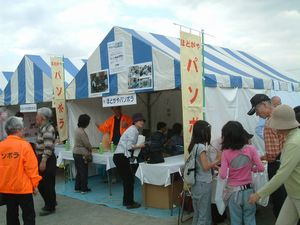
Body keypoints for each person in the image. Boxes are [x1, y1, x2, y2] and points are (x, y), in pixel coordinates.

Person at [249, 105, 300, 225]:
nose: (274, 128)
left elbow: (281, 174)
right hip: (293, 193)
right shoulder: (293, 136)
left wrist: (259, 194)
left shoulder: (294, 142)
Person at [247, 94, 286, 218]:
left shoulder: (269, 123)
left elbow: (273, 155)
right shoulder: (284, 116)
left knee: (280, 202)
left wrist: (259, 158)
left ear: (264, 104)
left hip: (278, 165)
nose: (257, 115)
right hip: (291, 161)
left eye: (257, 111)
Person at [220, 121, 265, 225]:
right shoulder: (251, 149)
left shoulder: (226, 153)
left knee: (236, 221)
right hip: (249, 191)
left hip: (233, 192)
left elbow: (222, 175)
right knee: (250, 218)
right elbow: (261, 168)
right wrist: (251, 168)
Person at [0, 116, 42, 225]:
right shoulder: (24, 145)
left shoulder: (1, 146)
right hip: (23, 188)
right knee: (28, 216)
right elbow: (31, 168)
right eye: (23, 128)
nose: (24, 130)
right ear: (18, 130)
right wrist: (35, 185)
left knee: (11, 215)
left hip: (6, 188)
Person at [188, 120, 218, 225]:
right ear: (203, 132)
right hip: (203, 183)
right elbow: (205, 167)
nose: (209, 134)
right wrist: (218, 160)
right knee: (203, 215)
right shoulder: (201, 147)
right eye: (208, 131)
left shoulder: (193, 145)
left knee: (198, 213)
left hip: (196, 183)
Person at [113, 113, 145, 209]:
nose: (142, 122)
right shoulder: (133, 131)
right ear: (135, 122)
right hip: (121, 156)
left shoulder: (133, 129)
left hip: (120, 156)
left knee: (128, 180)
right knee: (129, 180)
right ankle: (129, 203)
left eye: (143, 121)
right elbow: (129, 147)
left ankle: (127, 201)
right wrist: (141, 146)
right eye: (140, 120)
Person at [35, 107, 57, 216]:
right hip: (44, 158)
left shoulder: (47, 129)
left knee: (45, 184)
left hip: (46, 158)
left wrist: (43, 161)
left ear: (42, 117)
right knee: (46, 183)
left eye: (37, 115)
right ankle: (51, 202)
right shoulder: (43, 127)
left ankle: (50, 207)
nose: (36, 117)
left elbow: (48, 147)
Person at [73, 114, 93, 193]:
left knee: (79, 171)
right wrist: (90, 149)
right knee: (84, 171)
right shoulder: (82, 132)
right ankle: (84, 188)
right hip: (82, 154)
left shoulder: (77, 130)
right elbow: (87, 144)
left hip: (75, 152)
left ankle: (77, 187)